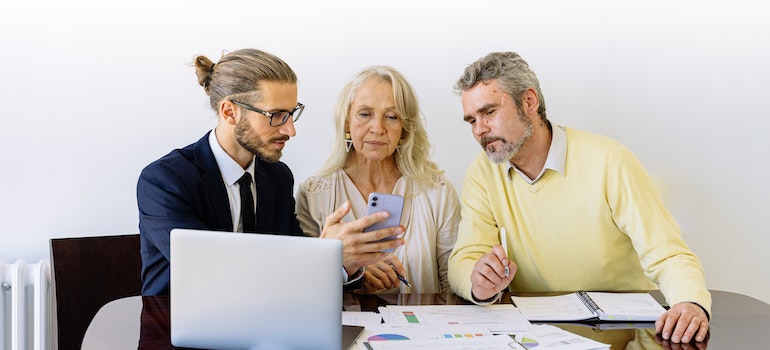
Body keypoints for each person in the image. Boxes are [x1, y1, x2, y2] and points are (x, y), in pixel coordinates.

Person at [447, 51, 711, 344]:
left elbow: (669, 254)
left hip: (622, 334)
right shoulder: (482, 173)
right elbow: (464, 259)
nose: (480, 130)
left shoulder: (610, 161)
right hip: (534, 337)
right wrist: (478, 281)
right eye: (471, 120)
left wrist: (690, 302)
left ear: (529, 101)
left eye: (489, 112)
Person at [137, 49, 404, 295]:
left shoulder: (277, 178)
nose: (290, 130)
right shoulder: (165, 181)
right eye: (276, 115)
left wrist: (348, 262)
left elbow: (296, 275)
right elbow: (213, 276)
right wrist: (325, 253)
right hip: (177, 332)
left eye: (291, 113)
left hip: (266, 328)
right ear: (230, 112)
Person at [296, 66, 459, 294]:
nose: (378, 128)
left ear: (404, 128)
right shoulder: (314, 194)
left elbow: (452, 283)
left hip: (423, 326)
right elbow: (304, 286)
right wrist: (350, 268)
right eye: (365, 114)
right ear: (346, 123)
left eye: (391, 117)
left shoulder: (436, 191)